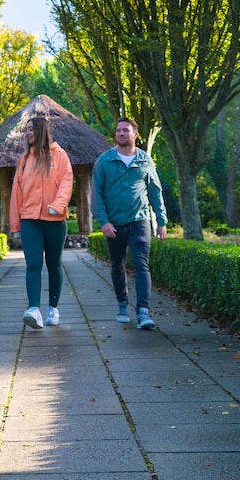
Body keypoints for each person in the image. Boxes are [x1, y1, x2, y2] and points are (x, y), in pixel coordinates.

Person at [91, 116, 167, 330]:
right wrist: (103, 222)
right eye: (118, 130)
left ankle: (143, 311)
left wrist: (161, 221)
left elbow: (155, 191)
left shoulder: (145, 161)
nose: (121, 134)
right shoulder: (103, 161)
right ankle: (122, 304)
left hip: (140, 220)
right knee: (117, 264)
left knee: (141, 264)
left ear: (135, 134)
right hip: (114, 223)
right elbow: (96, 194)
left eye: (125, 130)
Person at [9, 115, 74, 329]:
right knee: (33, 264)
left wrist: (58, 204)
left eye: (30, 129)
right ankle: (34, 309)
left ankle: (53, 309)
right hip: (30, 220)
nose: (26, 133)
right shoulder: (24, 160)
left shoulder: (60, 156)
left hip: (55, 219)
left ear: (41, 131)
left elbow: (66, 181)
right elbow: (16, 193)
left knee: (54, 264)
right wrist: (15, 224)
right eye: (26, 129)